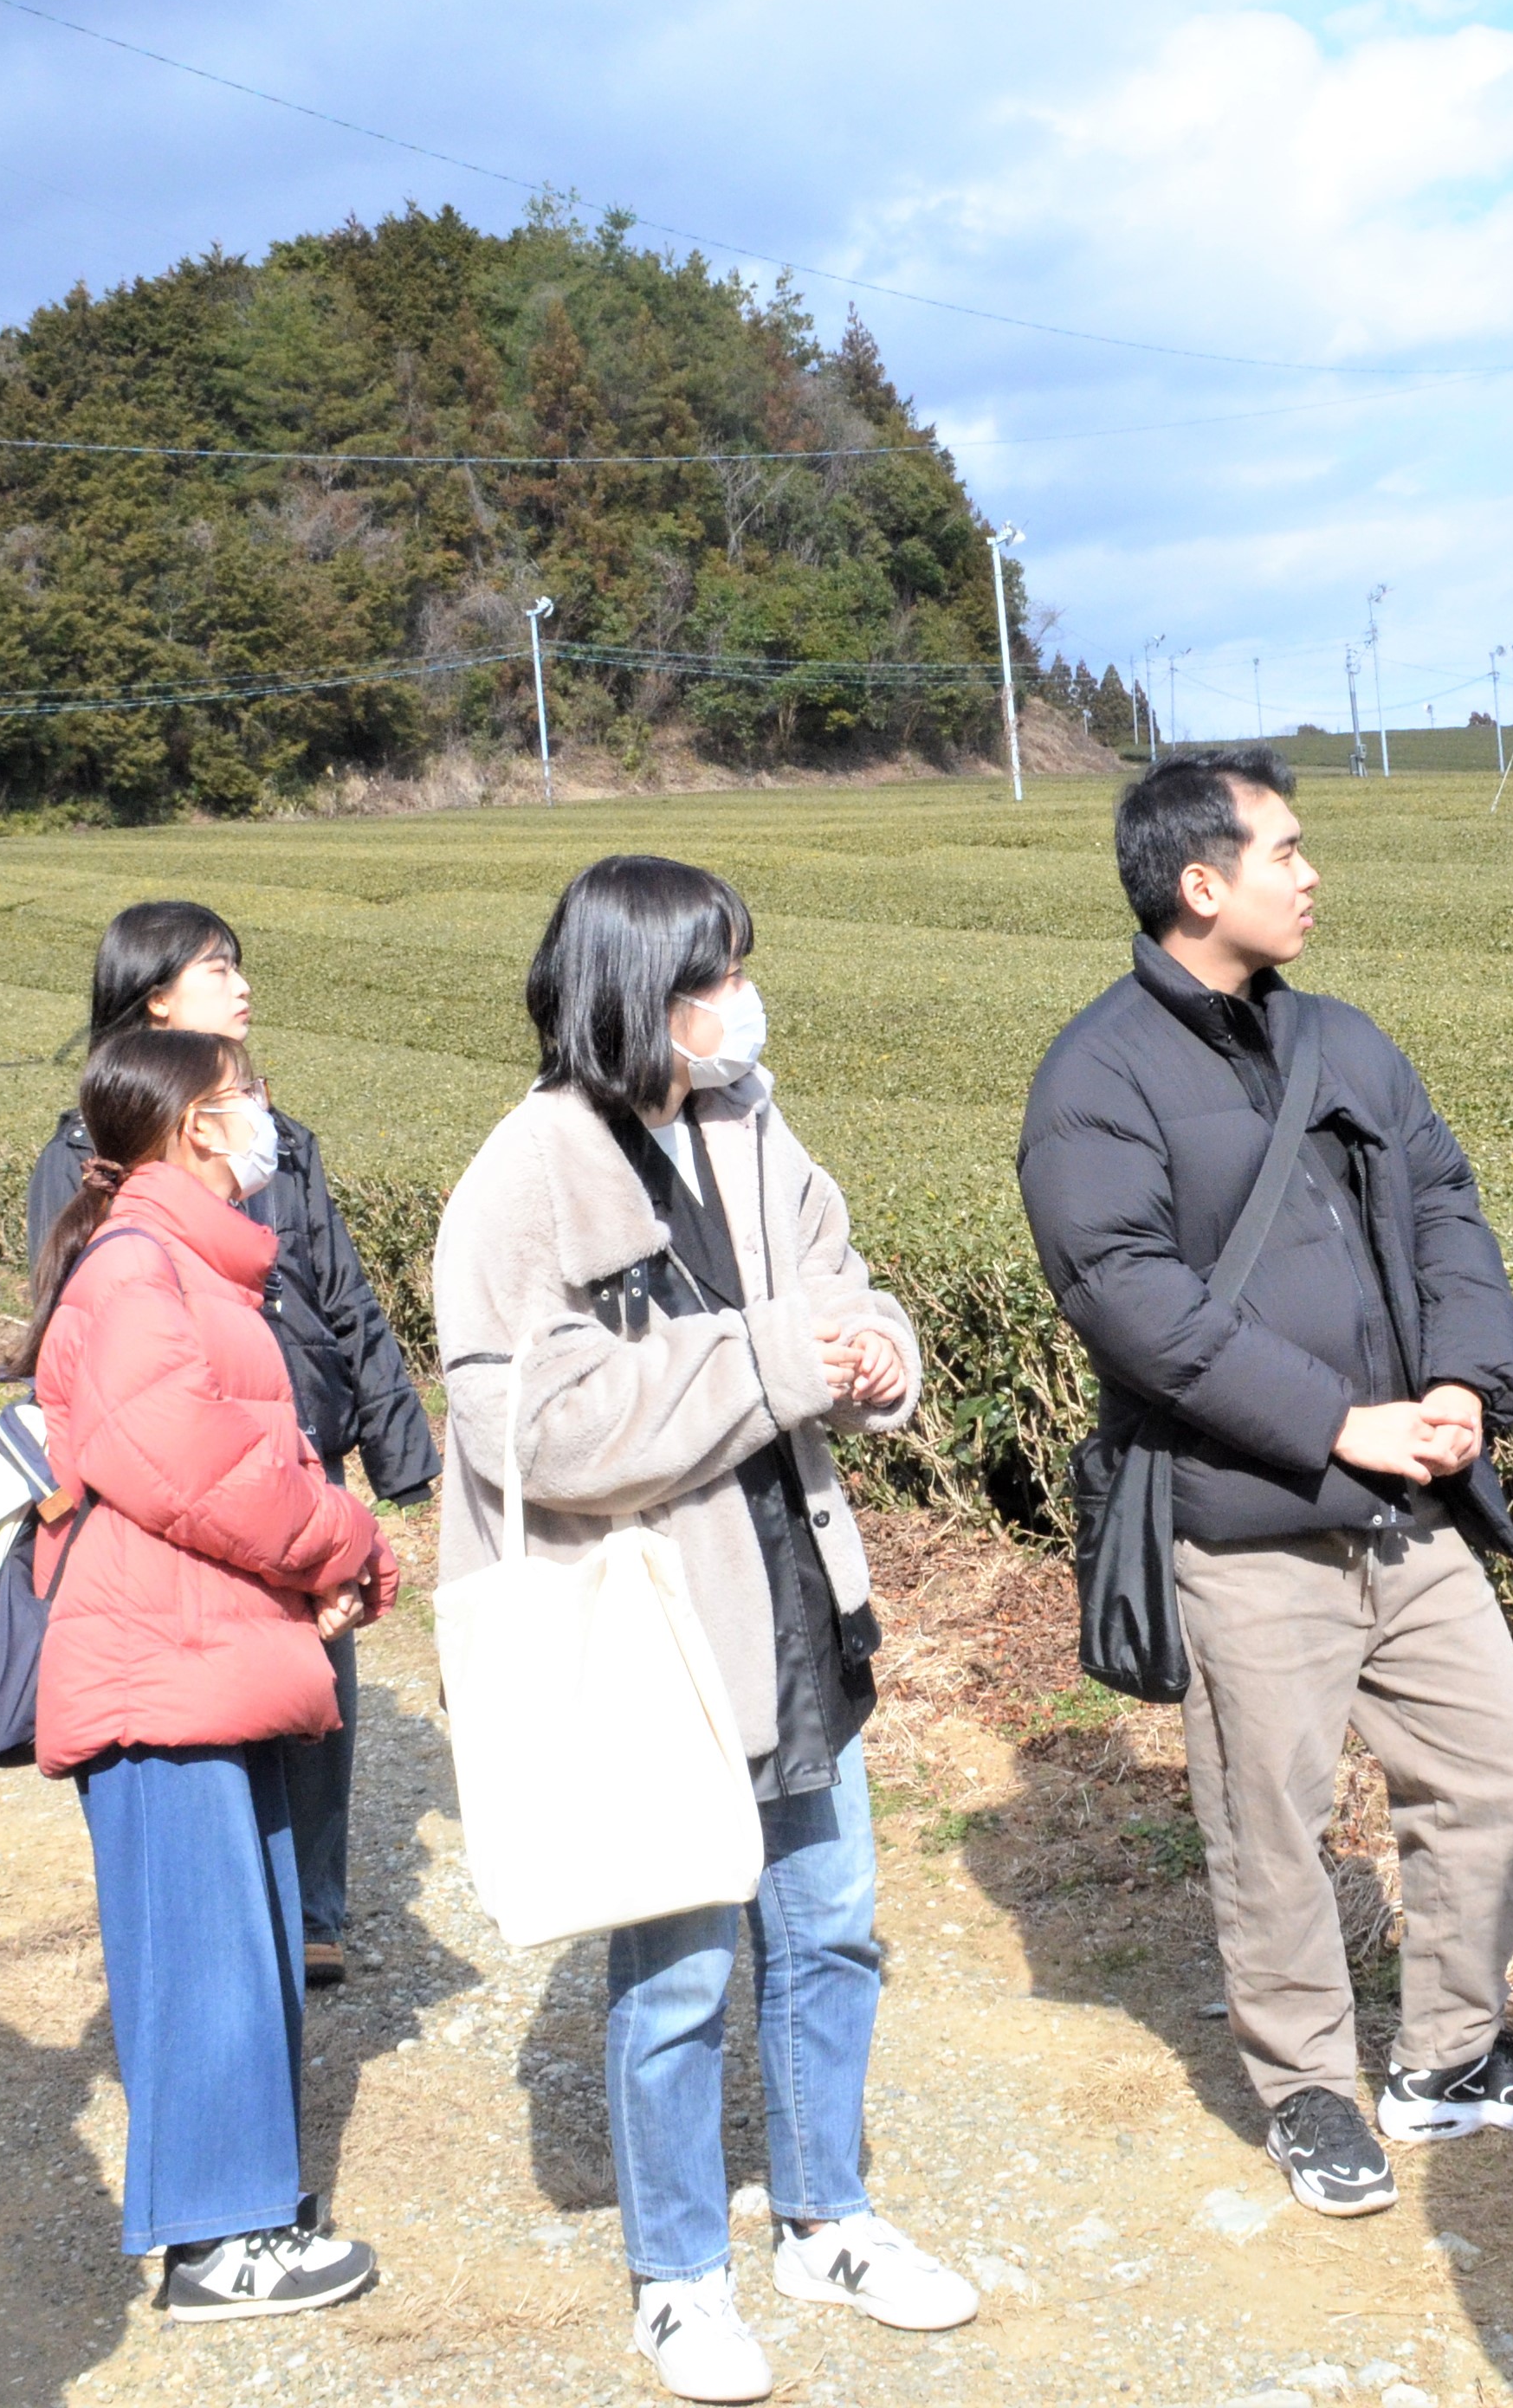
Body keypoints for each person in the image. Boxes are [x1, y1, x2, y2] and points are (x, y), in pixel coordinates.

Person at [1017, 750, 1513, 2221]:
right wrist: (1334, 1420)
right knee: (1269, 1820)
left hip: (1409, 1509)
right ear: (1196, 881)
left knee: (1492, 1774)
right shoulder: (1095, 1073)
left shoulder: (1345, 1039)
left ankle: (1449, 2054)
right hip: (1244, 1517)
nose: (1308, 870)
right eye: (1282, 847)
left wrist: (1466, 1376)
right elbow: (1124, 1291)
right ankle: (1309, 2089)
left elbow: (1445, 1203)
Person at [435, 855, 979, 2404]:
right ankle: (676, 2270)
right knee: (675, 1965)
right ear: (631, 993)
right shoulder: (525, 1174)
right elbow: (527, 1424)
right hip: (650, 1621)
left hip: (796, 1590)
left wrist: (877, 1350)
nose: (739, 1001)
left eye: (737, 970)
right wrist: (776, 1352)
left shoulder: (751, 1125)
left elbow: (840, 1284)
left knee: (829, 1923)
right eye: (709, 979)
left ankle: (828, 2213)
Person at [25, 1026, 394, 2321]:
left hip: (206, 1650)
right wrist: (341, 1537)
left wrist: (315, 1560)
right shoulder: (139, 1268)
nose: (268, 1120)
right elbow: (188, 1459)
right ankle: (215, 2240)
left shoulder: (182, 1263)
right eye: (249, 1097)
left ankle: (246, 2218)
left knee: (241, 1945)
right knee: (201, 1956)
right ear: (193, 1128)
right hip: (157, 1667)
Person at [27, 901, 435, 1989]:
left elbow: (343, 1295)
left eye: (239, 965)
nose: (240, 985)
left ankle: (312, 1908)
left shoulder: (274, 1133)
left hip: (294, 1449)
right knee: (212, 1687)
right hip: (186, 1477)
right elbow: (93, 1357)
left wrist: (399, 1444)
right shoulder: (86, 1157)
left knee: (316, 1683)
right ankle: (234, 1913)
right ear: (153, 995)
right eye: (215, 970)